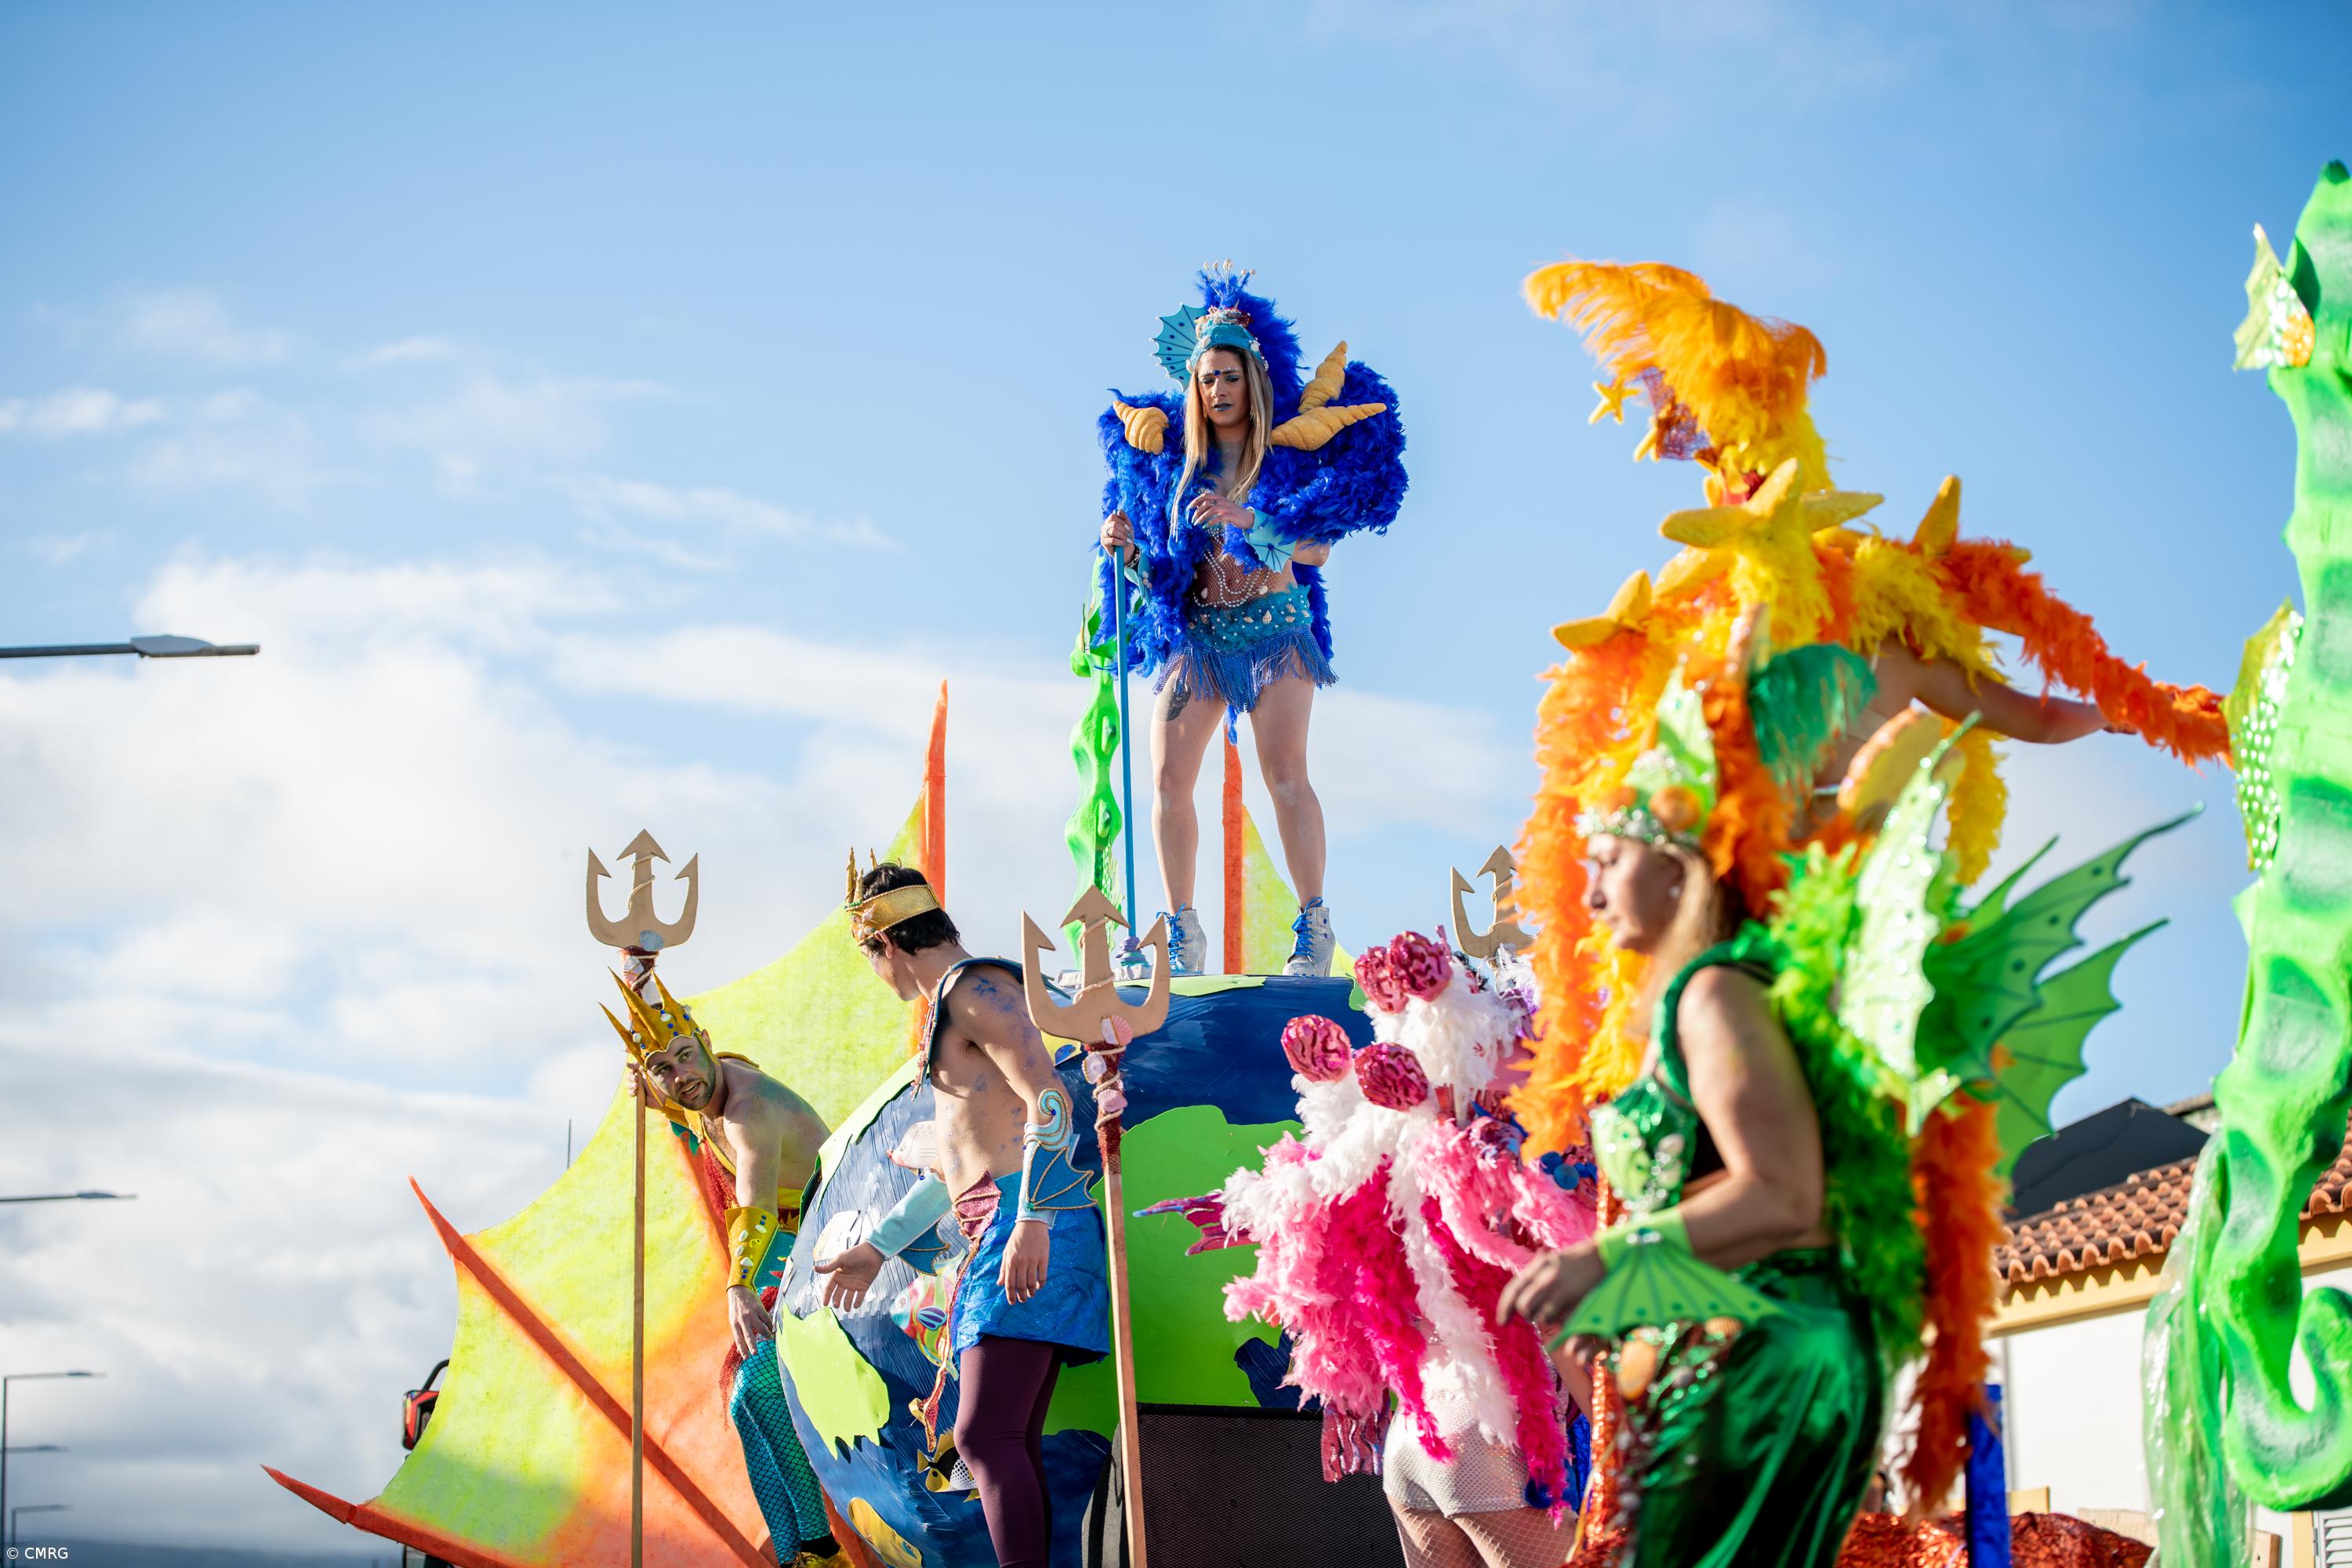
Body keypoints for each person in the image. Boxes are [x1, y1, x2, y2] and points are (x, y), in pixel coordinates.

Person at [1094, 268, 1406, 977]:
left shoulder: (1287, 456)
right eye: (1206, 379)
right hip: (1198, 637)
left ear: (1252, 379)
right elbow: (1163, 574)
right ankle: (1181, 934)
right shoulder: (1173, 469)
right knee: (1169, 779)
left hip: (1274, 629)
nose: (1217, 391)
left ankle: (1315, 927)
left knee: (1285, 774)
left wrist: (1247, 519)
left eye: (1229, 376)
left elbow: (1317, 548)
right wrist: (1127, 548)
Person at [811, 862, 1108, 1568]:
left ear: (883, 944)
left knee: (984, 1438)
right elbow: (961, 1167)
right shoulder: (956, 1001)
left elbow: (1050, 1099)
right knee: (1004, 1440)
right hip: (1005, 1225)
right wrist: (879, 1248)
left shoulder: (976, 989)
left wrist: (1034, 1217)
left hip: (1033, 1221)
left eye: (869, 959)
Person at [608, 960, 839, 1568]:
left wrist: (737, 1286)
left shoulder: (748, 1111)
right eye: (662, 1069)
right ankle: (796, 1557)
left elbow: (755, 1207)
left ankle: (821, 1549)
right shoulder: (703, 1091)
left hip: (831, 1251)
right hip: (787, 1256)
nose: (679, 1076)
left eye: (684, 1057)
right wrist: (644, 990)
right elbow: (682, 1100)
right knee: (743, 1402)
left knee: (759, 1386)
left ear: (707, 1044)